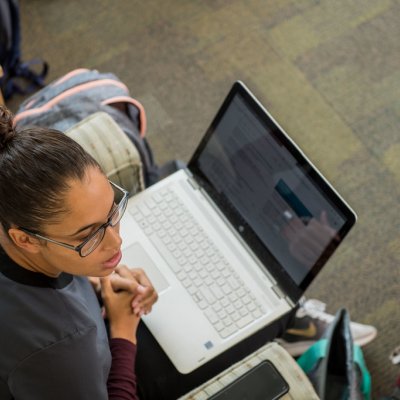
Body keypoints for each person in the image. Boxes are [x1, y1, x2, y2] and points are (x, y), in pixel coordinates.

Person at [0, 105, 157, 399]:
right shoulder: (63, 346)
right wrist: (123, 330)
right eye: (88, 236)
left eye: (112, 211)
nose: (116, 243)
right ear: (25, 240)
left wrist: (98, 284)